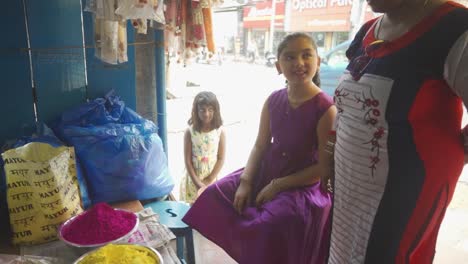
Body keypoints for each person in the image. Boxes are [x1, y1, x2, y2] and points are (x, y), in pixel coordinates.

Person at [327, 0, 468, 263]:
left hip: (403, 196)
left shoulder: (454, 27)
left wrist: (452, 155)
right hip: (350, 186)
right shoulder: (368, 30)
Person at [183, 33, 337, 263]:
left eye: (307, 55)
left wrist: (277, 186)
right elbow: (260, 145)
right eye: (290, 57)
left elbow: (322, 169)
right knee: (214, 195)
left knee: (268, 223)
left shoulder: (326, 108)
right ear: (278, 65)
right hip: (269, 169)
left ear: (318, 61)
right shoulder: (273, 100)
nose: (299, 63)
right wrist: (246, 182)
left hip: (303, 186)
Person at [180, 91, 226, 203]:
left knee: (209, 207)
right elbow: (187, 161)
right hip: (193, 180)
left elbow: (221, 158)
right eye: (202, 110)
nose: (206, 114)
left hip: (211, 178)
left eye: (210, 110)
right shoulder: (190, 132)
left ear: (216, 111)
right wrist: (198, 184)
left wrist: (209, 180)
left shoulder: (219, 132)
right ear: (196, 111)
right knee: (192, 208)